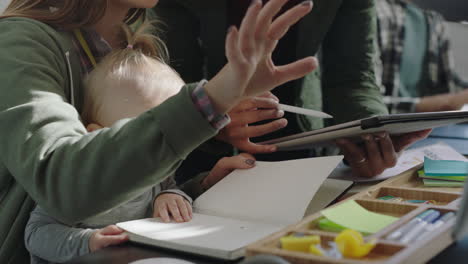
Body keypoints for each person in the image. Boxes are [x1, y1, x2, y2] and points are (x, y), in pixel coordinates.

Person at [0, 0, 318, 262]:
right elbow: (64, 188)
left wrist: (199, 189)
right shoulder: (20, 42)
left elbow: (130, 196)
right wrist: (215, 98)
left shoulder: (135, 36)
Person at [24, 22, 259, 264]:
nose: (158, 145)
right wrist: (88, 241)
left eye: (166, 136)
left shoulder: (155, 170)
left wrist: (170, 195)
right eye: (144, 134)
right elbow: (35, 233)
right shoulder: (74, 180)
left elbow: (171, 192)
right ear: (94, 135)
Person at [153, 0, 431, 182]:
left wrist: (371, 136)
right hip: (199, 166)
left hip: (306, 156)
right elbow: (168, 84)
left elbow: (352, 77)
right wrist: (212, 113)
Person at [376, 0, 468, 114]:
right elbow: (365, 102)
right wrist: (428, 106)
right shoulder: (375, 13)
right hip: (389, 126)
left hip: (430, 125)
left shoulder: (433, 22)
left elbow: (450, 84)